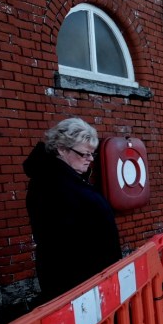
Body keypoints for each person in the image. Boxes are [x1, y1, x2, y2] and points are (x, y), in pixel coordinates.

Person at [24, 117, 121, 302]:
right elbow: (63, 240)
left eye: (92, 154)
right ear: (62, 149)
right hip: (78, 284)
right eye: (84, 154)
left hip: (91, 280)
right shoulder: (51, 184)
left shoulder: (68, 177)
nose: (90, 160)